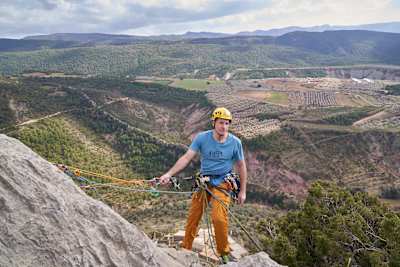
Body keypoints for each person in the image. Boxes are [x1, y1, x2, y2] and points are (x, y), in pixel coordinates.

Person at [159, 107, 247, 263]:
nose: (224, 127)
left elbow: (241, 166)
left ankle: (223, 253)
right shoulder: (202, 138)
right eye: (221, 123)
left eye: (227, 124)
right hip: (204, 182)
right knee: (194, 216)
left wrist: (242, 192)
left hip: (223, 183)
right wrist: (169, 174)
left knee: (219, 219)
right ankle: (186, 249)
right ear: (213, 122)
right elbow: (186, 158)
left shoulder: (235, 143)